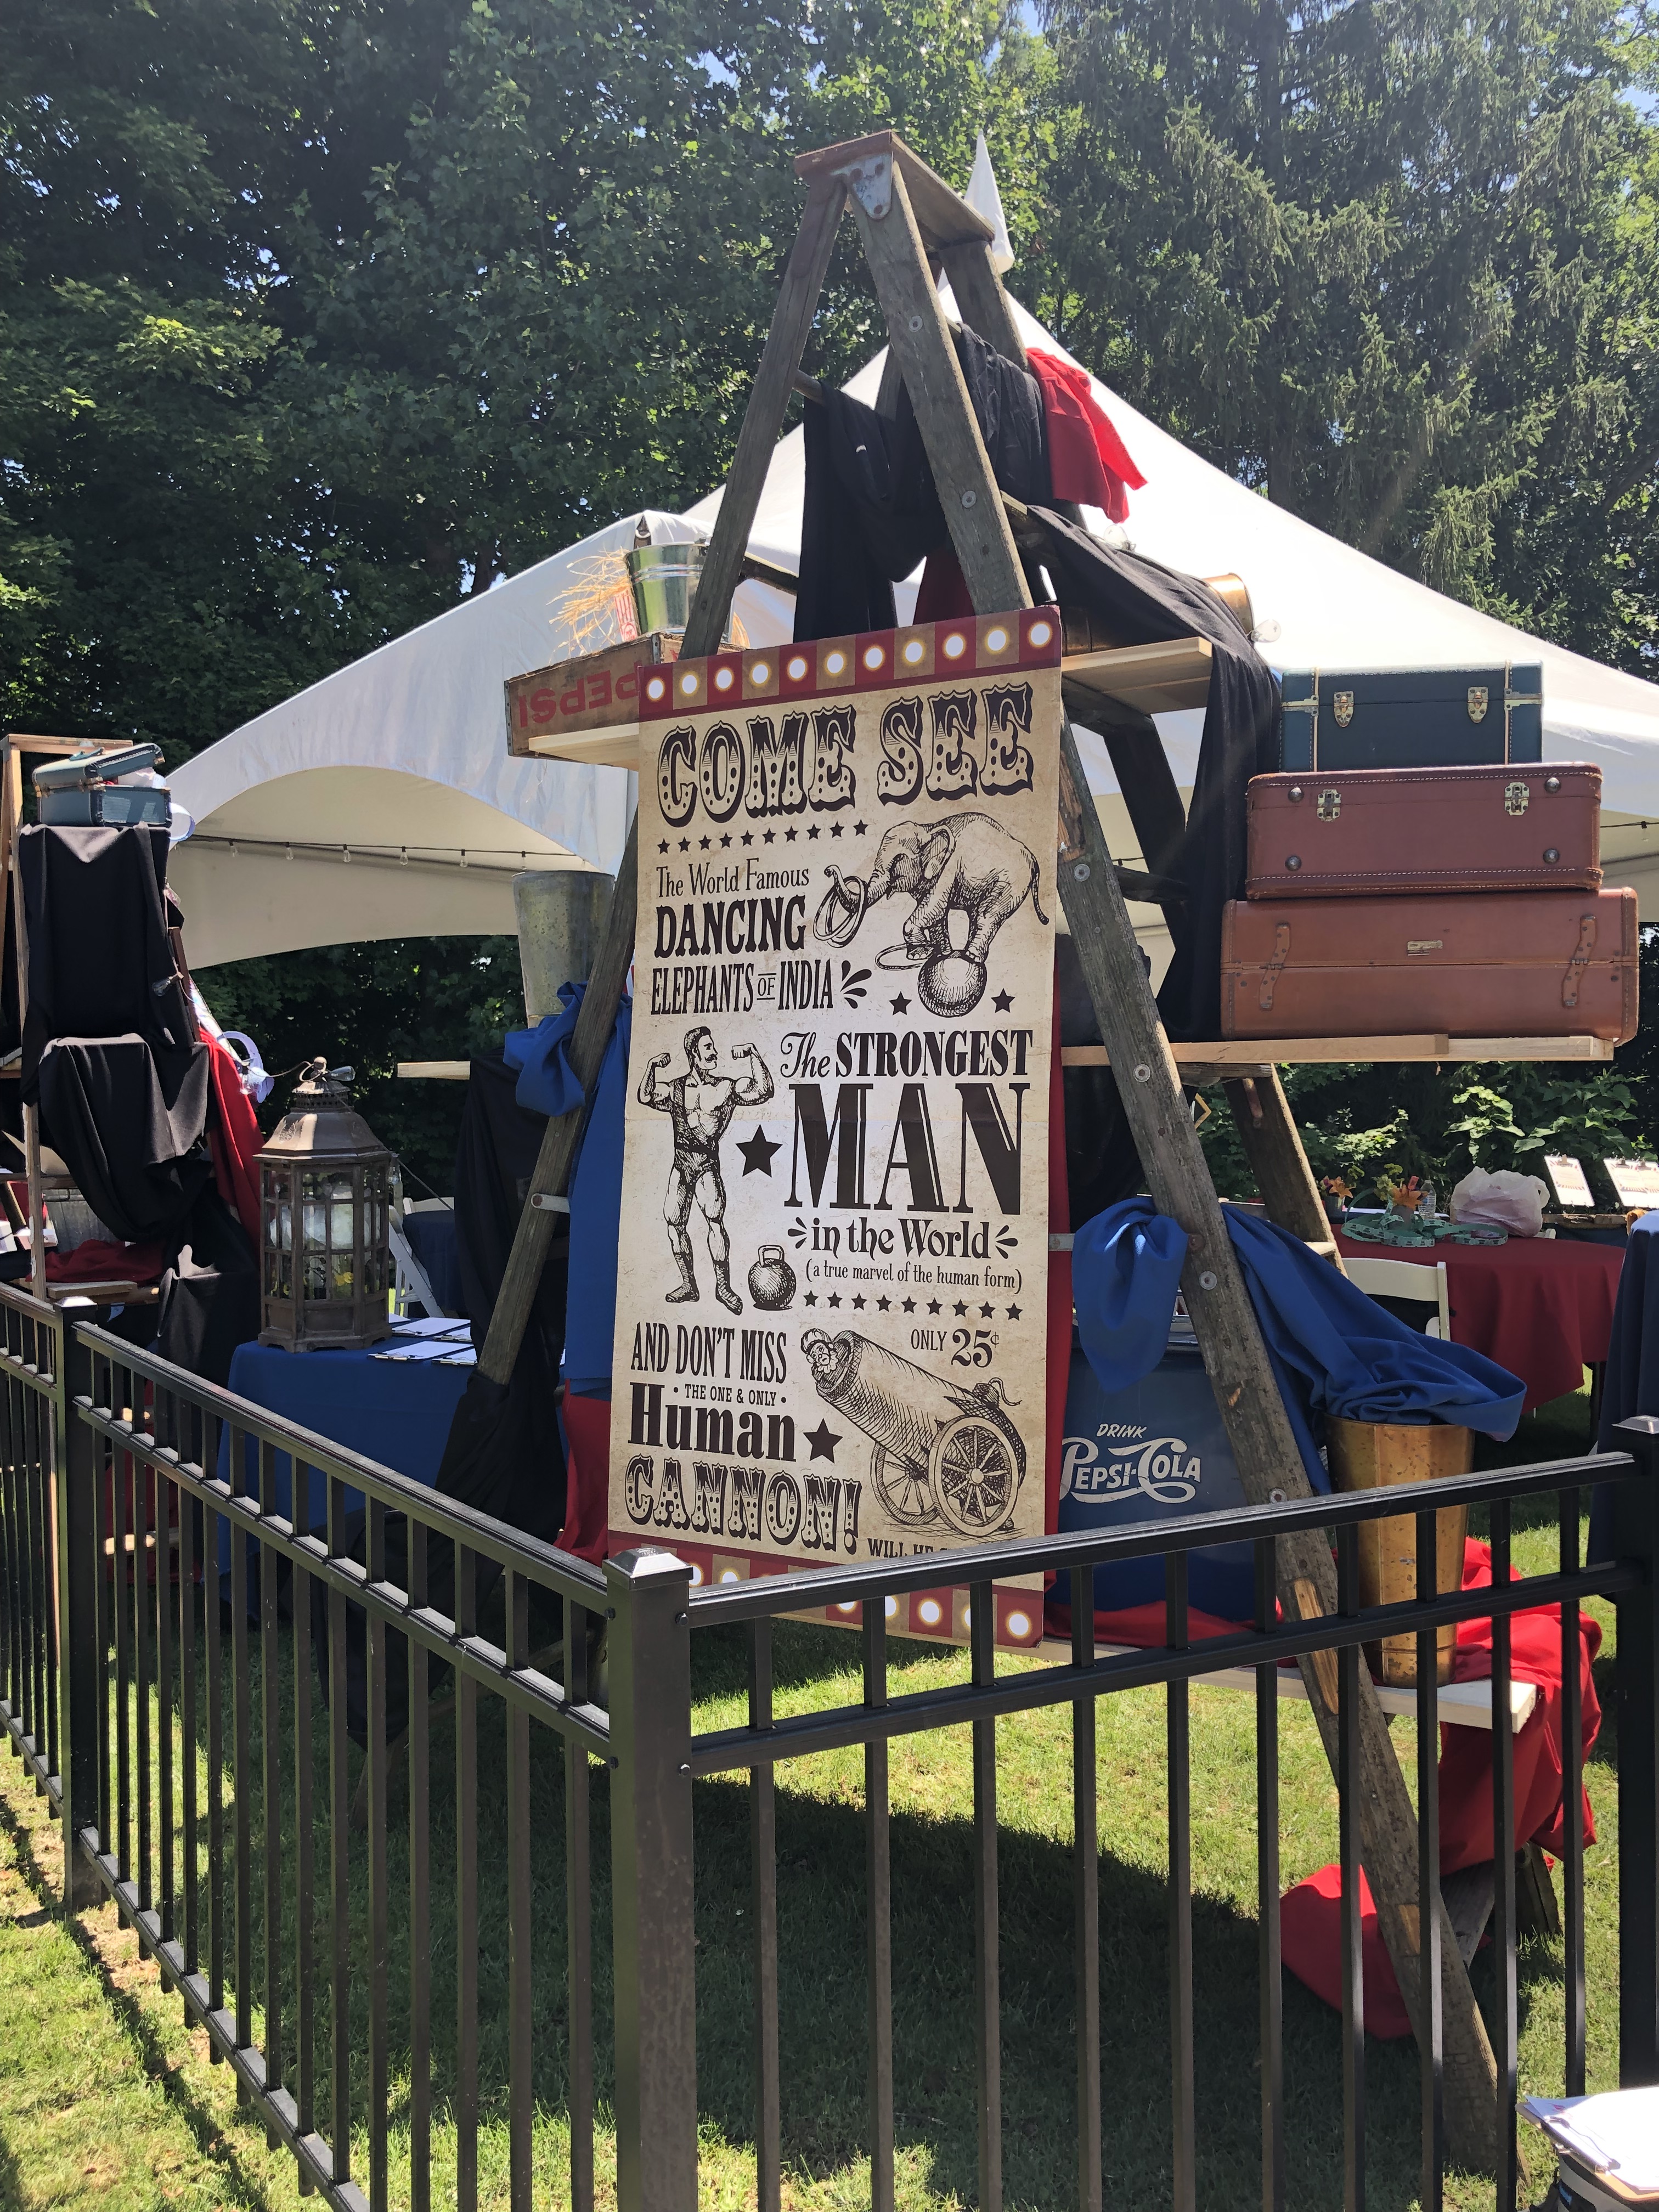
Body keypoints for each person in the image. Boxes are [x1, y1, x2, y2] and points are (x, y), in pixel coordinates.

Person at [639, 1026, 774, 1312]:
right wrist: (651, 1066)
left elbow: (764, 1090)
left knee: (714, 1222)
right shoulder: (676, 1088)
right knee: (674, 1222)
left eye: (713, 1046)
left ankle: (723, 1288)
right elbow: (646, 1096)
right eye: (708, 1048)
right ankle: (689, 1285)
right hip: (681, 1162)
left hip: (706, 1164)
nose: (714, 1053)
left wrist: (753, 1054)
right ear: (693, 1054)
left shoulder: (725, 1088)